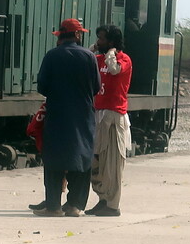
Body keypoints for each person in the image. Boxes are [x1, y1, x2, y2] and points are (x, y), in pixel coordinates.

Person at [35, 18, 100, 217]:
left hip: (58, 115)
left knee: (54, 159)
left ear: (60, 36)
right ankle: (75, 206)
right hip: (82, 116)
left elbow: (42, 87)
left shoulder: (52, 56)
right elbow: (97, 87)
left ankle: (53, 206)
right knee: (82, 157)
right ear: (78, 35)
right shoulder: (89, 57)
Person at [87, 25, 132, 217]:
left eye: (102, 39)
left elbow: (114, 70)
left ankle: (112, 205)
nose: (99, 42)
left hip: (114, 117)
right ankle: (102, 198)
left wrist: (111, 54)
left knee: (111, 164)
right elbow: (85, 64)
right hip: (97, 115)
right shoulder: (97, 59)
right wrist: (91, 50)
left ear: (112, 42)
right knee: (95, 162)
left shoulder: (123, 59)